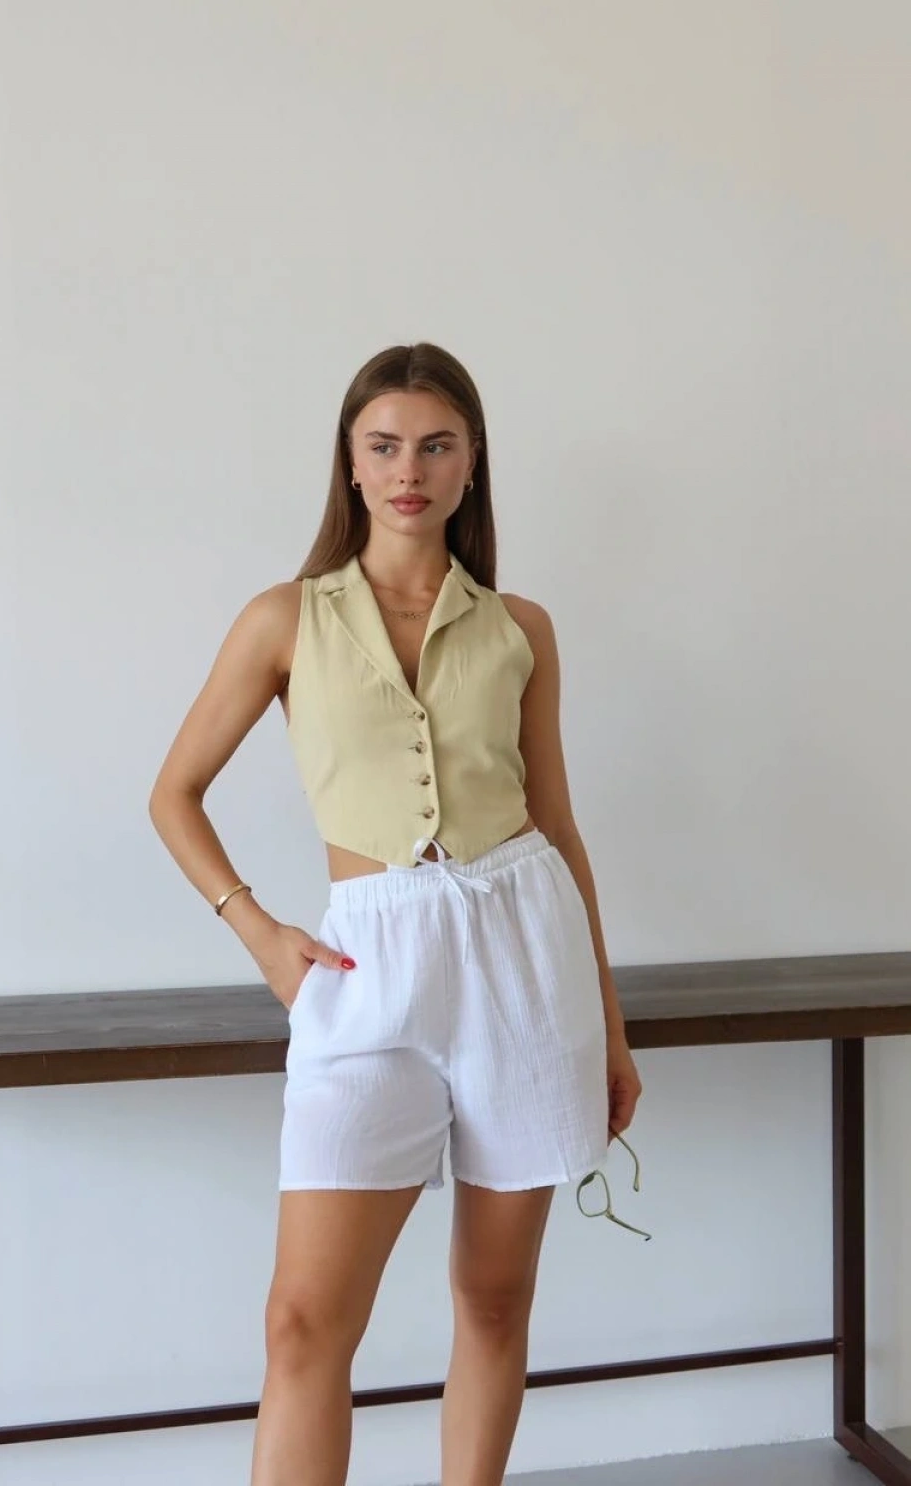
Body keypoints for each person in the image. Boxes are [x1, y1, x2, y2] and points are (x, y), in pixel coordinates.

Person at [148, 342, 644, 1486]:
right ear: (350, 464)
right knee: (301, 1324)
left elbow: (559, 831)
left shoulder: (520, 627)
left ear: (471, 465)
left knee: (494, 1299)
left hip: (525, 960)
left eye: (434, 446)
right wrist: (260, 932)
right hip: (367, 968)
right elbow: (173, 794)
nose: (407, 470)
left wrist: (611, 1030)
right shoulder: (285, 619)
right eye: (383, 447)